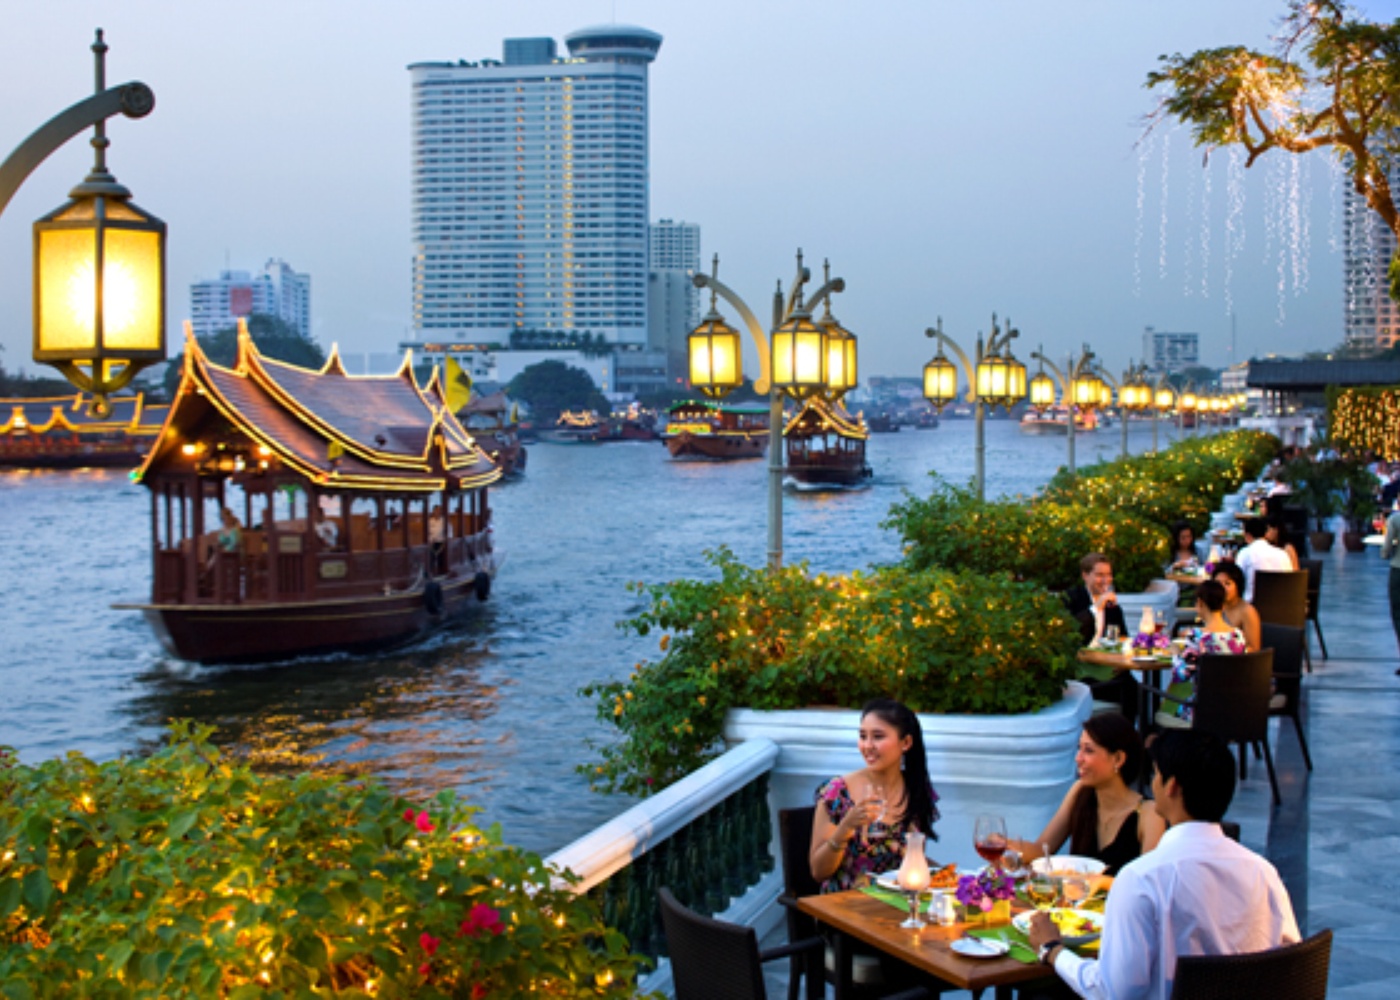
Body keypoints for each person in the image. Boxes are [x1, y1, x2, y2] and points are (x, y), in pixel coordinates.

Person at [1028, 730, 1299, 999]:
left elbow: (1112, 992)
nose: (1152, 784)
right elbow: (1290, 963)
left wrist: (1052, 950)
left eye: (1156, 774)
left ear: (1172, 787)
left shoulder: (1141, 879)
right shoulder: (1264, 873)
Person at [1008, 713, 1165, 876]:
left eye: (1088, 750)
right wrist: (1005, 846)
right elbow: (1041, 851)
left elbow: (1149, 882)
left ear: (1118, 759)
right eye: (1079, 748)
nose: (1078, 758)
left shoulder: (1148, 814)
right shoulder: (1080, 792)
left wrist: (1100, 883)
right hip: (1074, 900)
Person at [809, 698, 940, 893]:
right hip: (845, 909)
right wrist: (846, 826)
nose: (867, 746)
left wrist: (952, 875)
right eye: (863, 736)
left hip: (899, 906)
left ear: (906, 742)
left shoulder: (915, 790)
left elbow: (913, 862)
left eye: (878, 737)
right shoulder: (837, 792)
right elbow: (819, 872)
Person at [1156, 580, 1247, 728]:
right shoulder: (1238, 635)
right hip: (1232, 710)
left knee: (1164, 702)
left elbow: (1181, 674)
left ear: (1200, 603)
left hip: (1201, 711)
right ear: (1222, 604)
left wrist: (1175, 654)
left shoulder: (1197, 636)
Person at [1064, 553, 1127, 646]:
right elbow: (1070, 631)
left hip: (1104, 658)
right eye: (1100, 575)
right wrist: (1096, 608)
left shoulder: (1113, 608)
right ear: (1085, 576)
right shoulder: (1071, 597)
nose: (1106, 580)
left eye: (1109, 575)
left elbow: (1122, 638)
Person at [1233, 517, 1292, 602]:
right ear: (1265, 534)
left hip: (1252, 608)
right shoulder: (1283, 554)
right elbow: (1289, 582)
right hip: (1282, 607)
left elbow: (1237, 581)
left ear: (1248, 536)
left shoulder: (1245, 553)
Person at [1211, 562, 1261, 652]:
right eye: (1218, 583)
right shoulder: (1213, 606)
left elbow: (1254, 649)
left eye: (1227, 584)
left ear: (1238, 586)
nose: (1222, 588)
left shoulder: (1247, 611)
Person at [1380, 507, 1400, 676]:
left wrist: (1386, 552)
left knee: (1398, 614)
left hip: (1398, 569)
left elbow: (1385, 551)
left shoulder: (1395, 519)